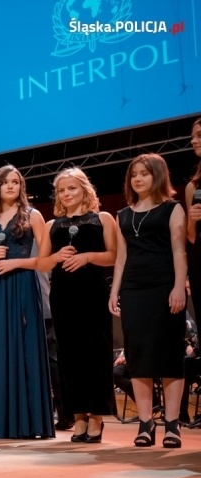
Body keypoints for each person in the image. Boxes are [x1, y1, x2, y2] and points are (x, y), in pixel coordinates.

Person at [108, 153, 187, 448]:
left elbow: (179, 251)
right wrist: (115, 291)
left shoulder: (172, 208)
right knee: (138, 356)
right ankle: (145, 423)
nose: (138, 179)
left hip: (164, 286)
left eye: (144, 173)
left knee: (169, 356)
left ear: (158, 175)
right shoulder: (123, 215)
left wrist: (179, 287)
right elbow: (120, 259)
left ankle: (172, 425)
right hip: (133, 290)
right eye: (134, 174)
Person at [0, 164, 54, 439]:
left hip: (23, 285)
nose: (11, 186)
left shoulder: (33, 215)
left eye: (16, 182)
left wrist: (16, 263)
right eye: (5, 182)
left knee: (24, 346)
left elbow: (46, 260)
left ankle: (27, 422)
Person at [37, 168, 117, 443]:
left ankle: (97, 417)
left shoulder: (103, 218)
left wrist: (87, 257)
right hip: (63, 295)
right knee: (69, 356)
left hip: (93, 293)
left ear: (84, 189)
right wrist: (57, 256)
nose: (66, 194)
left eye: (72, 188)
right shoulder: (52, 224)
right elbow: (41, 264)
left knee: (96, 353)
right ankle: (79, 416)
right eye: (61, 190)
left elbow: (114, 256)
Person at [183, 117, 201, 321]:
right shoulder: (192, 187)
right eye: (193, 137)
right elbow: (191, 236)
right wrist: (192, 220)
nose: (194, 141)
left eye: (199, 135)